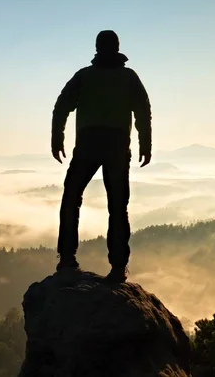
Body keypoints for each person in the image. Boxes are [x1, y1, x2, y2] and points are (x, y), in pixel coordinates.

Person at [51, 30, 152, 282]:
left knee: (72, 196)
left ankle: (66, 258)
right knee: (118, 206)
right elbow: (143, 112)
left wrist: (57, 138)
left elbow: (61, 106)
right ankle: (118, 267)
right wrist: (145, 144)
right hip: (117, 145)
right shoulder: (128, 77)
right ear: (117, 47)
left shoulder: (84, 76)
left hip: (88, 143)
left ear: (97, 47)